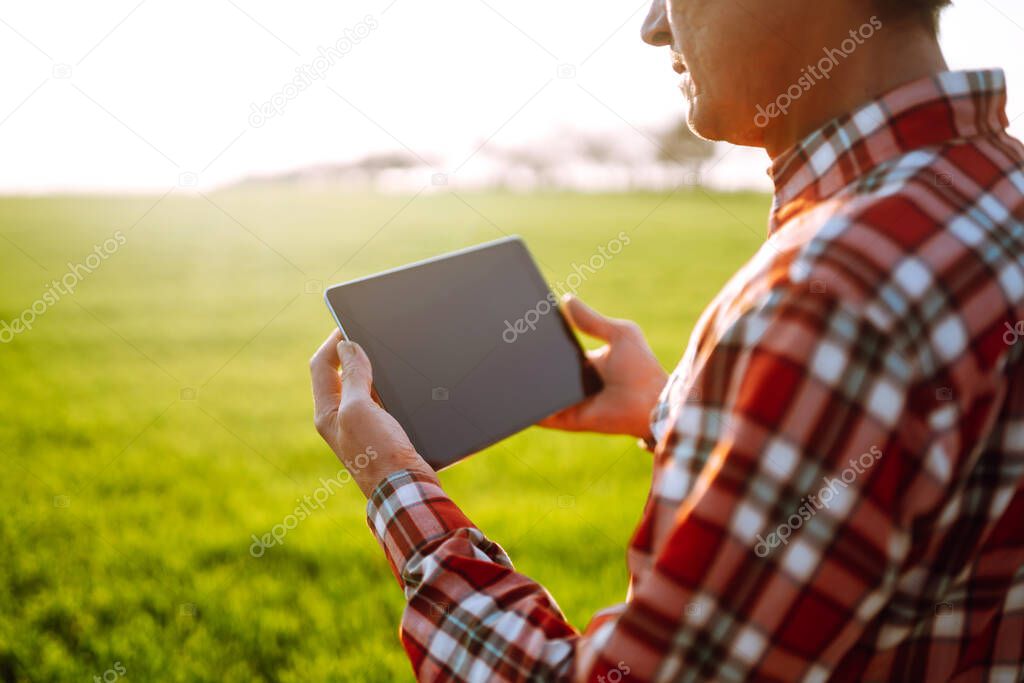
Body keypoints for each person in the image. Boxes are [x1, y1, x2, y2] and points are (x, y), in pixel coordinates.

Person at [310, 0, 1024, 679]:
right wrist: (667, 408)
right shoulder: (997, 185)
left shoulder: (825, 295)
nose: (654, 27)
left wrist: (395, 485)